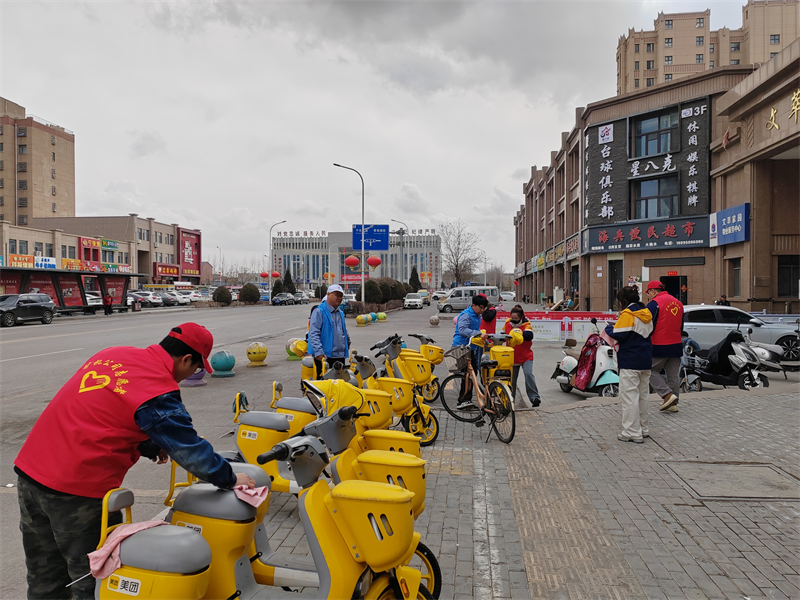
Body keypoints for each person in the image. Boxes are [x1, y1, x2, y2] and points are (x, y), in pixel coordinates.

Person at [14, 323, 255, 600]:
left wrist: (150, 446)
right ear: (186, 359)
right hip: (77, 492)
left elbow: (105, 411)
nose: (192, 374)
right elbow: (190, 450)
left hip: (30, 474)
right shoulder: (157, 387)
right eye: (197, 368)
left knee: (44, 576)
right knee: (91, 577)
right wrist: (230, 477)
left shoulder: (113, 355)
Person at [605, 286, 654, 443]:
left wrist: (609, 328)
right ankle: (643, 428)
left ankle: (632, 432)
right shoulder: (646, 313)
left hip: (630, 361)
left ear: (624, 301)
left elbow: (620, 334)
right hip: (645, 360)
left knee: (629, 397)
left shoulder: (628, 314)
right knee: (643, 396)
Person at [644, 280, 683, 412]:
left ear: (653, 291)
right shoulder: (678, 303)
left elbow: (647, 324)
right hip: (676, 343)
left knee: (649, 370)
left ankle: (667, 395)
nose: (648, 296)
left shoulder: (654, 304)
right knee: (673, 375)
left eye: (648, 293)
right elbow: (681, 325)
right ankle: (673, 403)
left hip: (659, 344)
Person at [452, 294, 489, 409]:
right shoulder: (466, 315)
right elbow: (462, 330)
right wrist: (478, 333)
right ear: (473, 305)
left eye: (484, 308)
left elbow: (476, 330)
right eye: (481, 307)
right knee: (467, 374)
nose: (482, 310)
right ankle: (463, 401)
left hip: (469, 348)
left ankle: (466, 399)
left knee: (473, 373)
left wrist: (486, 341)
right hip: (460, 347)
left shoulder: (477, 316)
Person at [308, 283, 351, 377]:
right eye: (336, 295)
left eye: (341, 296)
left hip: (340, 356)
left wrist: (347, 343)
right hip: (324, 357)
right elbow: (314, 333)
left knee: (340, 383)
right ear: (328, 294)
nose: (339, 298)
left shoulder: (340, 313)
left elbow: (343, 331)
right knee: (325, 383)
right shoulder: (319, 311)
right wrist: (319, 352)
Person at [503, 304, 540, 407]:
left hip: (526, 356)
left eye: (516, 318)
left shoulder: (526, 325)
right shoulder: (507, 323)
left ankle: (534, 397)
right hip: (512, 357)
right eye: (512, 318)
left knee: (528, 374)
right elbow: (502, 334)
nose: (513, 320)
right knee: (512, 380)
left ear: (521, 317)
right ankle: (510, 400)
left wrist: (518, 334)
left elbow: (529, 335)